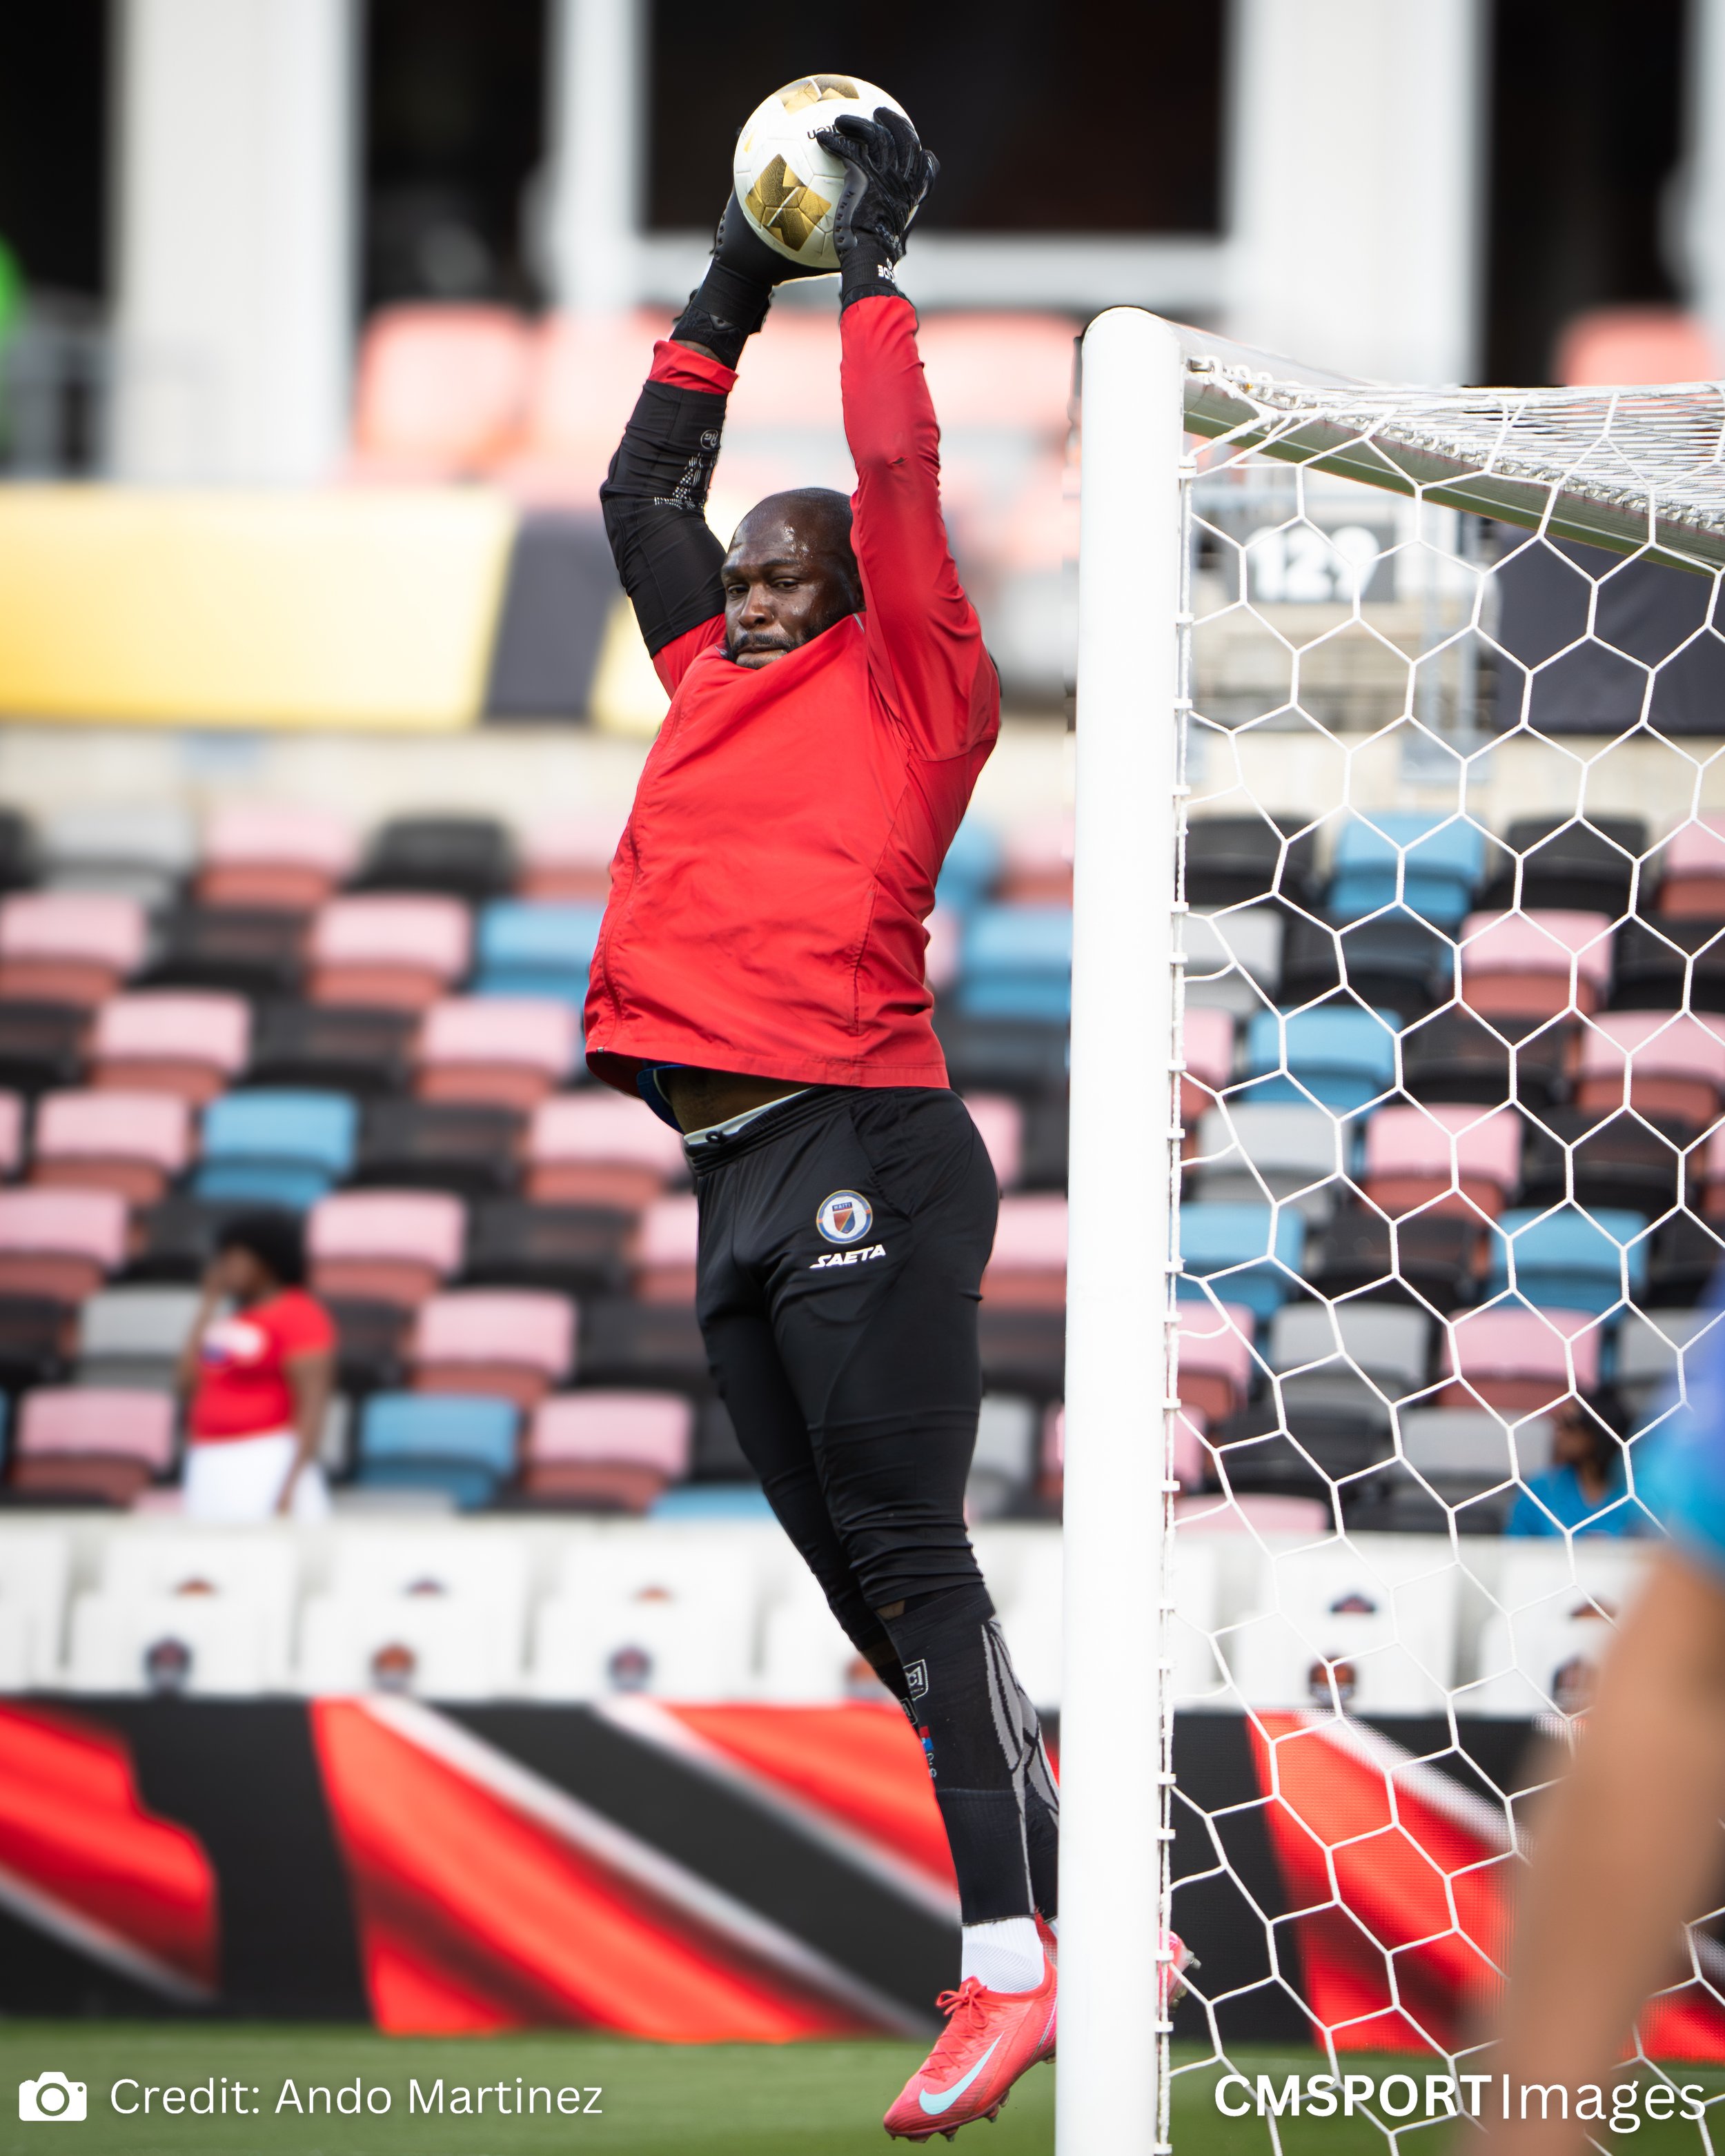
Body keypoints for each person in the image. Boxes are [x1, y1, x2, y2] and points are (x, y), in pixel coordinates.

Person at [584, 110, 1061, 2138]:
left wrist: (866, 274)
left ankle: (1007, 1968)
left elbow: (887, 473)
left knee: (903, 1553)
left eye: (790, 580)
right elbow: (640, 483)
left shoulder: (914, 681)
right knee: (868, 1590)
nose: (755, 600)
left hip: (863, 1143)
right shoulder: (706, 670)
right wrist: (728, 277)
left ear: (857, 589)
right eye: (750, 581)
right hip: (728, 1173)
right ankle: (1069, 1912)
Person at [1473, 1314, 1725, 2155]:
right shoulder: (1536, 1500)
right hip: (1559, 1675)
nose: (1553, 1428)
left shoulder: (1637, 1503)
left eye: (1569, 1418)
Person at [178, 1211, 335, 1523]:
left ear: (267, 1261)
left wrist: (291, 1485)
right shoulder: (230, 1319)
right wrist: (207, 1305)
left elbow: (313, 1406)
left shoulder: (299, 1313)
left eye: (235, 1259)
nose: (224, 1269)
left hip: (266, 1459)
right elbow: (186, 1384)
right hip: (209, 1457)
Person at [1506, 1392, 1648, 1539]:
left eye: (1569, 1424)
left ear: (1599, 1430)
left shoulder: (1639, 1495)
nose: (1559, 1432)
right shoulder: (1540, 1490)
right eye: (1557, 1422)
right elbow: (1514, 1547)